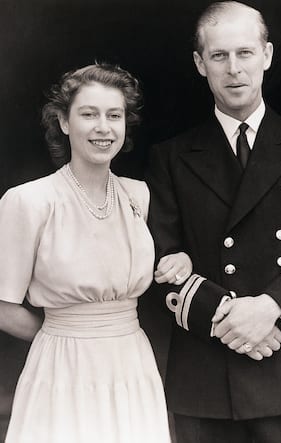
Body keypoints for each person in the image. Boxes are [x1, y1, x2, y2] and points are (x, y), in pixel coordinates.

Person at [146, 2, 281, 442]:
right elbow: (158, 259)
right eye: (219, 56)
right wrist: (229, 317)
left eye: (245, 53)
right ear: (200, 64)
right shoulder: (171, 157)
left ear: (266, 56)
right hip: (206, 380)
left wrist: (272, 309)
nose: (234, 69)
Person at [0, 63, 192, 443]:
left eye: (114, 115)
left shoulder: (139, 195)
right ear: (64, 122)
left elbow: (169, 257)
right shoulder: (29, 201)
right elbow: (4, 309)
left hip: (131, 363)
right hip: (62, 366)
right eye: (88, 114)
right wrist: (62, 335)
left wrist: (181, 259)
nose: (103, 128)